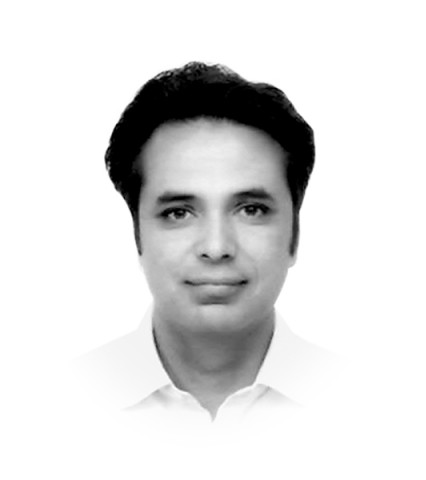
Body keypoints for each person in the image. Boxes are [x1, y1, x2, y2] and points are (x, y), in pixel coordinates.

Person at [74, 61, 335, 429]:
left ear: (295, 235)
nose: (216, 247)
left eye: (251, 210)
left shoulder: (374, 406)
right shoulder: (54, 406)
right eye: (178, 213)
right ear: (137, 235)